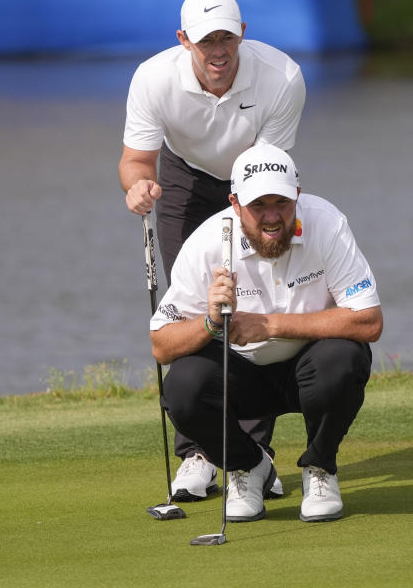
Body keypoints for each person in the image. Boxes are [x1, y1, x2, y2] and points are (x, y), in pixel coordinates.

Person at [120, 0, 306, 503]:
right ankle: (199, 453)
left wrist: (249, 222)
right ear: (184, 41)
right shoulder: (154, 79)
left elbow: (267, 174)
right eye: (206, 41)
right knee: (195, 311)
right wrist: (137, 185)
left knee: (249, 300)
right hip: (184, 179)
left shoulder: (282, 77)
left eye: (227, 37)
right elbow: (136, 160)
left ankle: (252, 452)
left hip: (256, 183)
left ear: (243, 33)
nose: (218, 50)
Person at [150, 144, 383, 522]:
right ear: (235, 203)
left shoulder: (326, 223)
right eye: (259, 206)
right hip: (240, 375)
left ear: (298, 196)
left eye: (282, 203)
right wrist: (209, 322)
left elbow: (369, 320)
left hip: (311, 367)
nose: (272, 217)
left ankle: (320, 467)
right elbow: (161, 345)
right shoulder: (209, 243)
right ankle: (248, 467)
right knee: (182, 386)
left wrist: (271, 326)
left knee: (344, 357)